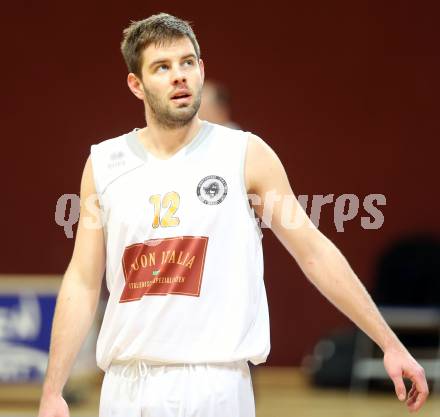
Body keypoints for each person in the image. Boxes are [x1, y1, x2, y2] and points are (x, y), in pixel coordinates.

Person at [38, 13, 429, 417]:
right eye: (162, 67)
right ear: (136, 84)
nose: (179, 76)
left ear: (202, 69)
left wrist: (389, 342)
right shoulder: (105, 163)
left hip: (215, 385)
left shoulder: (244, 154)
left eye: (188, 62)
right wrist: (53, 390)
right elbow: (83, 279)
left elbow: (314, 252)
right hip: (125, 386)